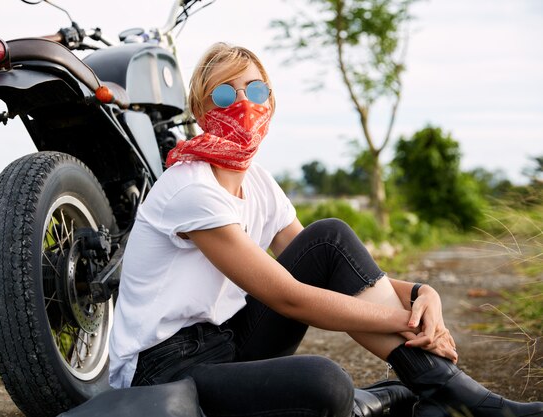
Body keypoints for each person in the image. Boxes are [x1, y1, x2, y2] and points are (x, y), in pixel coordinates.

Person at [109, 42, 543, 417]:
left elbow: (329, 261)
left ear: (271, 103)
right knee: (325, 382)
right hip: (164, 369)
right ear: (203, 112)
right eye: (225, 93)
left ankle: (450, 394)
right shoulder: (190, 187)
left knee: (330, 236)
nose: (243, 103)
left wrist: (420, 293)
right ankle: (408, 396)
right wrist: (406, 321)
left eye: (255, 90)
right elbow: (289, 297)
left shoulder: (256, 180)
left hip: (227, 341)